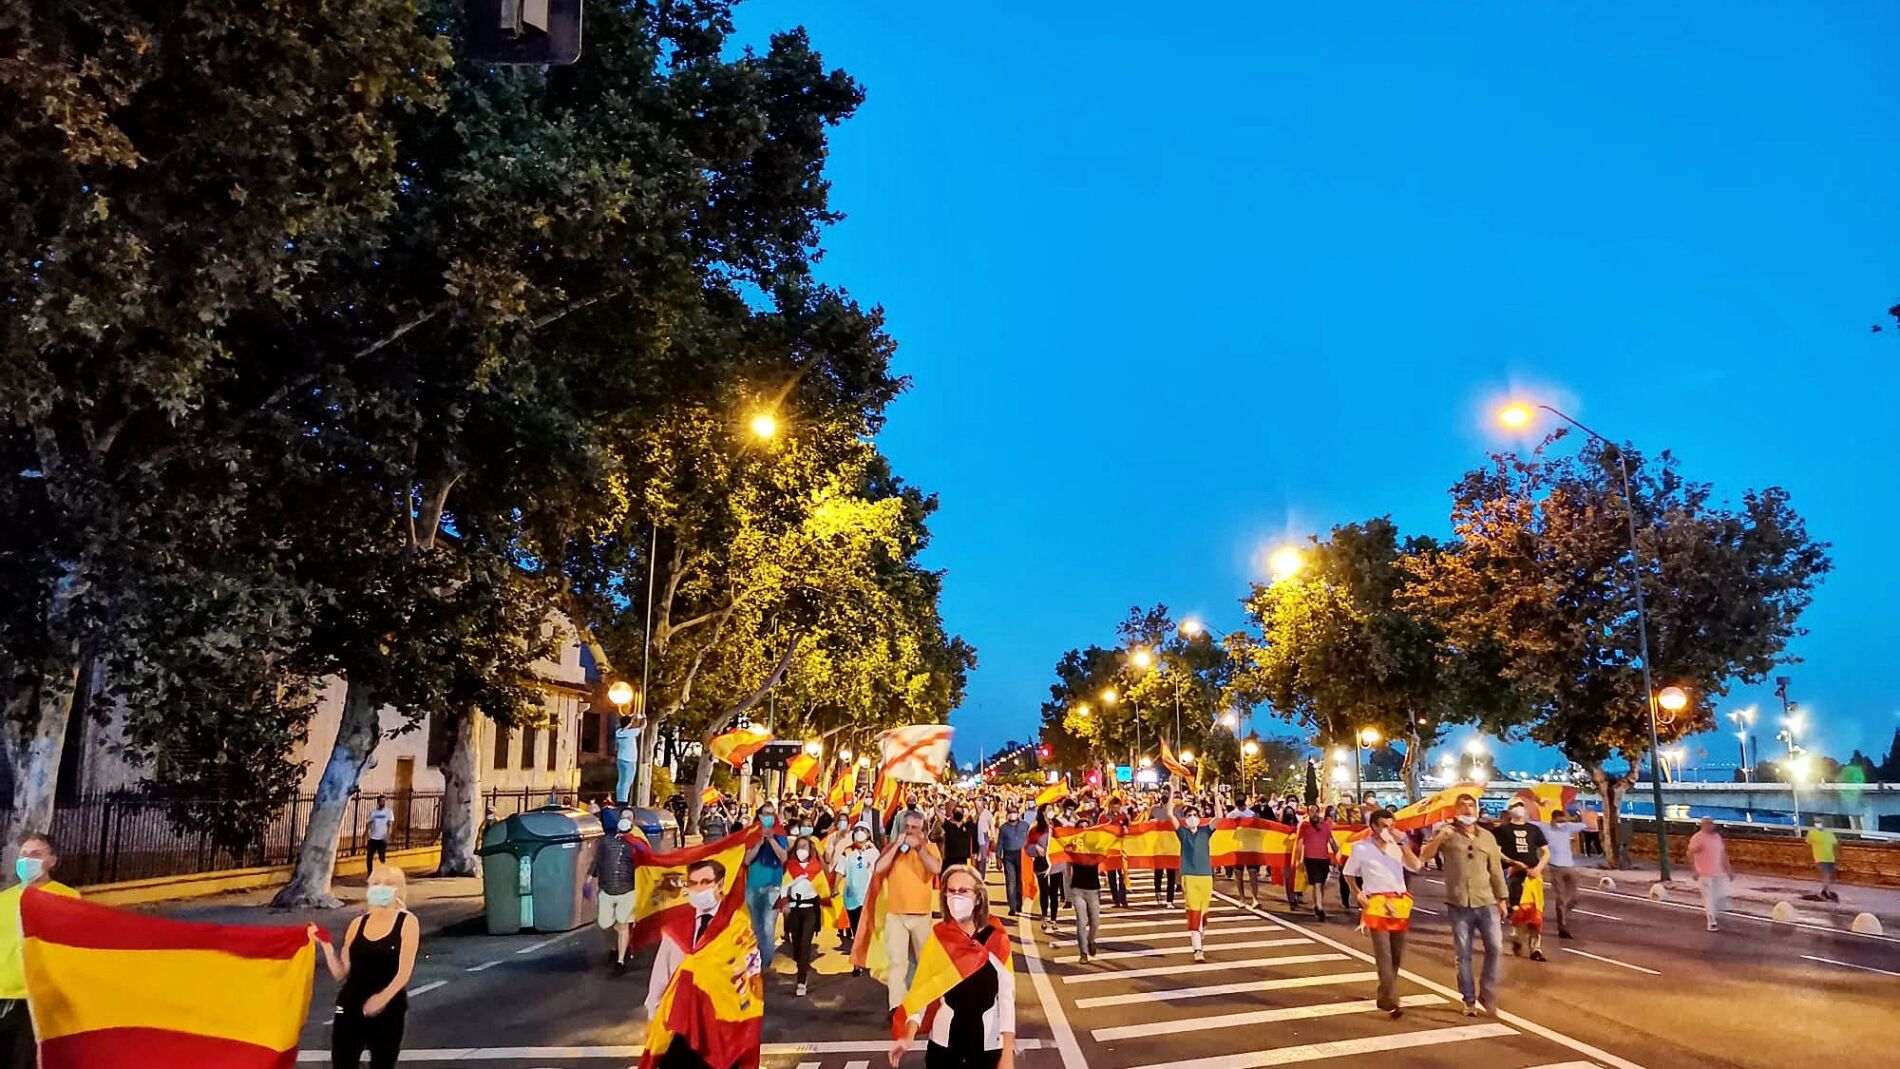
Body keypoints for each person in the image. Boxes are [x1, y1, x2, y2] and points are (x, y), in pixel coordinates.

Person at [888, 865, 1015, 1069]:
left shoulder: (996, 938)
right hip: (944, 1045)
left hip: (988, 1046)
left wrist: (1007, 1054)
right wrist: (908, 1033)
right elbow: (922, 991)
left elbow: (1007, 1000)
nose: (956, 897)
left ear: (978, 897)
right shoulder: (939, 938)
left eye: (963, 891)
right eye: (951, 891)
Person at [643, 857, 762, 1069]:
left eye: (705, 882)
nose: (699, 889)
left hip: (721, 1027)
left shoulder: (737, 927)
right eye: (693, 883)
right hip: (681, 1023)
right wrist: (653, 1011)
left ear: (720, 885)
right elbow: (662, 972)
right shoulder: (677, 927)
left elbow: (752, 971)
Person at [316, 864, 419, 1069]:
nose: (381, 888)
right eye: (376, 883)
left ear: (398, 888)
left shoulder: (407, 922)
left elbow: (404, 972)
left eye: (388, 884)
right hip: (350, 1004)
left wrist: (381, 999)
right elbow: (341, 972)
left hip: (388, 1007)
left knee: (383, 1062)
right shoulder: (357, 924)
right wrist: (325, 945)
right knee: (343, 1061)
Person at [1419, 795, 1509, 1016]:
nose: (1468, 810)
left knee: (1495, 948)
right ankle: (1468, 999)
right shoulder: (1447, 834)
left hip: (1486, 901)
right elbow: (1423, 857)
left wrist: (1502, 898)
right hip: (1458, 903)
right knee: (1463, 953)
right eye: (1463, 806)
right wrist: (1439, 838)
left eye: (1471, 806)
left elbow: (1496, 870)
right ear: (1455, 810)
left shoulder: (1487, 836)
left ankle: (1487, 993)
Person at [0, 833, 80, 1064]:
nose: (27, 860)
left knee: (27, 1060)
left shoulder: (68, 898)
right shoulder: (4, 899)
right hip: (4, 993)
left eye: (36, 854)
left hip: (39, 998)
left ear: (52, 861)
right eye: (24, 854)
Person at [1343, 809, 1422, 1018]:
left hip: (1399, 904)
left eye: (1391, 826)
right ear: (1374, 827)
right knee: (1384, 954)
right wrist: (1357, 893)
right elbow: (1348, 873)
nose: (1388, 830)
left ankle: (1384, 995)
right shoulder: (1361, 848)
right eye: (1384, 826)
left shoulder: (1398, 848)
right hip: (1376, 903)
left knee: (1396, 955)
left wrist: (1402, 842)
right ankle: (1392, 998)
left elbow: (1416, 865)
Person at [877, 810, 946, 1015]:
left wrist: (920, 849)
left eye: (914, 828)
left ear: (922, 829)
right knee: (897, 962)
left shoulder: (930, 848)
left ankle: (925, 1002)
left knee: (923, 960)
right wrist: (896, 846)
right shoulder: (894, 848)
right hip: (895, 914)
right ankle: (896, 1006)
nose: (909, 831)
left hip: (921, 914)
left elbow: (935, 868)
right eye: (906, 827)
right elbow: (879, 868)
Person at [1164, 791, 1217, 963]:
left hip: (1206, 877)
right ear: (1185, 819)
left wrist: (1216, 796)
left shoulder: (1205, 831)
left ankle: (1200, 935)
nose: (1192, 817)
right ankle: (1197, 949)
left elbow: (1220, 817)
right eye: (1189, 815)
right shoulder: (1183, 833)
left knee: (1203, 913)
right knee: (1193, 912)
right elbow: (1169, 814)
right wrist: (1171, 789)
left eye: (1195, 815)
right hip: (1189, 877)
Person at [585, 813, 641, 972]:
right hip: (607, 888)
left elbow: (646, 863)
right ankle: (613, 948)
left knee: (623, 924)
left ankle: (620, 961)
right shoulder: (606, 842)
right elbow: (597, 860)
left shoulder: (637, 844)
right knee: (605, 924)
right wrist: (588, 879)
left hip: (627, 889)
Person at [1495, 803, 1550, 961]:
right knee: (1519, 912)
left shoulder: (1534, 830)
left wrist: (1538, 868)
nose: (1519, 808)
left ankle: (1536, 949)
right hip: (1514, 876)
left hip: (1533, 878)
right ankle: (1517, 937)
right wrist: (1514, 862)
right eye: (1515, 806)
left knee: (1536, 914)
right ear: (1510, 810)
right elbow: (1497, 853)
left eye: (1521, 806)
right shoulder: (1502, 830)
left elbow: (1546, 852)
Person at [781, 835, 833, 996]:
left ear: (810, 849)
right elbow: (784, 888)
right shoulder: (790, 867)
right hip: (795, 911)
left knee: (805, 944)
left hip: (810, 910)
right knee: (796, 946)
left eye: (804, 847)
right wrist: (785, 903)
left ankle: (801, 981)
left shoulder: (816, 867)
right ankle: (801, 966)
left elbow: (824, 890)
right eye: (799, 847)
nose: (801, 850)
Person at [742, 804, 789, 970]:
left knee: (768, 927)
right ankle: (756, 962)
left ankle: (765, 964)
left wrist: (771, 839)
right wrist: (759, 842)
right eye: (765, 814)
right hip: (753, 887)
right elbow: (746, 860)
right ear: (759, 815)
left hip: (773, 888)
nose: (768, 816)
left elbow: (784, 858)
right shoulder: (751, 835)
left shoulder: (781, 835)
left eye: (771, 814)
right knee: (755, 927)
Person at [837, 823, 878, 970]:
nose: (860, 833)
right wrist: (835, 887)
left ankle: (867, 958)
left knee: (867, 929)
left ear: (868, 834)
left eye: (863, 830)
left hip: (869, 897)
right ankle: (857, 962)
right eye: (857, 830)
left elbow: (879, 872)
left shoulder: (874, 852)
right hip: (852, 897)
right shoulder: (847, 852)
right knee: (856, 930)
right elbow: (840, 871)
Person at [1535, 808, 1582, 939]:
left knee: (1574, 898)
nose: (1561, 823)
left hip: (1570, 867)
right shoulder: (1546, 828)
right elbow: (1531, 823)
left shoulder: (1568, 827)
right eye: (1558, 821)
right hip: (1555, 868)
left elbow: (1584, 825)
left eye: (1562, 820)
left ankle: (1563, 915)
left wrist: (1573, 818)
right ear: (1553, 820)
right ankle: (1562, 927)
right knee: (1561, 898)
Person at [1686, 817, 1733, 931]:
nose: (1712, 826)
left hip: (1718, 873)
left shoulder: (1717, 837)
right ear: (1703, 826)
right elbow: (1690, 854)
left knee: (1718, 896)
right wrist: (1694, 870)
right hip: (1704, 874)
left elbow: (1723, 854)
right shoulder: (1698, 838)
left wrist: (1728, 869)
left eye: (1712, 824)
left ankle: (1714, 914)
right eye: (1709, 824)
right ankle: (1711, 921)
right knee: (1709, 897)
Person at [1292, 806, 1337, 921]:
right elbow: (1300, 843)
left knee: (1321, 883)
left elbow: (1331, 841)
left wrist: (1338, 855)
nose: (1314, 814)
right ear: (1309, 813)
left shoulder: (1325, 826)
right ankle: (1320, 908)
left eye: (1316, 811)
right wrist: (1299, 860)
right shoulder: (1305, 826)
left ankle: (1318, 903)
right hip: (1310, 858)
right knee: (1317, 882)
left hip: (1324, 858)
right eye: (1312, 812)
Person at [1062, 848, 1101, 965]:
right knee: (1082, 921)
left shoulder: (1096, 844)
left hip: (1093, 889)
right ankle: (1083, 953)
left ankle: (1091, 940)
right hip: (1077, 889)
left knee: (1095, 922)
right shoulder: (1073, 846)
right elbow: (1067, 862)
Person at [996, 804, 1031, 917]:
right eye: (1010, 812)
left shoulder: (1025, 826)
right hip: (1008, 856)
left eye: (1014, 811)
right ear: (1007, 814)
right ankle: (1012, 906)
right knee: (1011, 882)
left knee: (1020, 882)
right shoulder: (1004, 828)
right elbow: (999, 843)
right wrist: (998, 858)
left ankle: (1019, 904)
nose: (1012, 814)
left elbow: (1030, 840)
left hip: (1022, 855)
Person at [1805, 817, 1840, 902]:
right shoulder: (1812, 833)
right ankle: (1825, 890)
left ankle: (1826, 889)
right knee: (1826, 873)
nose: (1818, 823)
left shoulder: (1828, 833)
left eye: (1819, 822)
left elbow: (1835, 844)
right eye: (1817, 822)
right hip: (1820, 857)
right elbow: (1808, 842)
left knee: (1829, 874)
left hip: (1830, 857)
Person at [613, 715, 640, 805]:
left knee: (621, 780)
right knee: (627, 781)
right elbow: (643, 727)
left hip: (620, 759)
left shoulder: (618, 732)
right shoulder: (631, 732)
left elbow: (623, 730)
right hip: (630, 760)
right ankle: (623, 800)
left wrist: (631, 721)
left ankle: (620, 799)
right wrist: (643, 719)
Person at [365, 796, 395, 868]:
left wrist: (388, 835)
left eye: (384, 801)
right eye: (381, 801)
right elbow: (368, 824)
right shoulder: (373, 812)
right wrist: (366, 835)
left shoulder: (389, 812)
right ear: (378, 802)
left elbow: (390, 825)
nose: (382, 802)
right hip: (373, 838)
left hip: (382, 838)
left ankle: (383, 871)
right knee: (369, 857)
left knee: (381, 856)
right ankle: (370, 873)